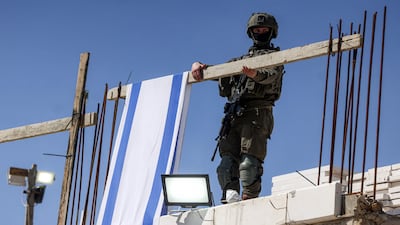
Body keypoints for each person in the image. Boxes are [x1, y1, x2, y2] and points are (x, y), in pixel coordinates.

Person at [191, 12, 285, 203]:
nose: (260, 32)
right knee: (225, 166)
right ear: (251, 32)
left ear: (271, 32)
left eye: (264, 30)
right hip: (235, 114)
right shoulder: (239, 61)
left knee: (249, 165)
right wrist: (199, 65)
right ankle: (230, 201)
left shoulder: (276, 57)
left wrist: (255, 74)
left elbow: (270, 75)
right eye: (257, 30)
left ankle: (249, 201)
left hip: (258, 113)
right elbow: (218, 73)